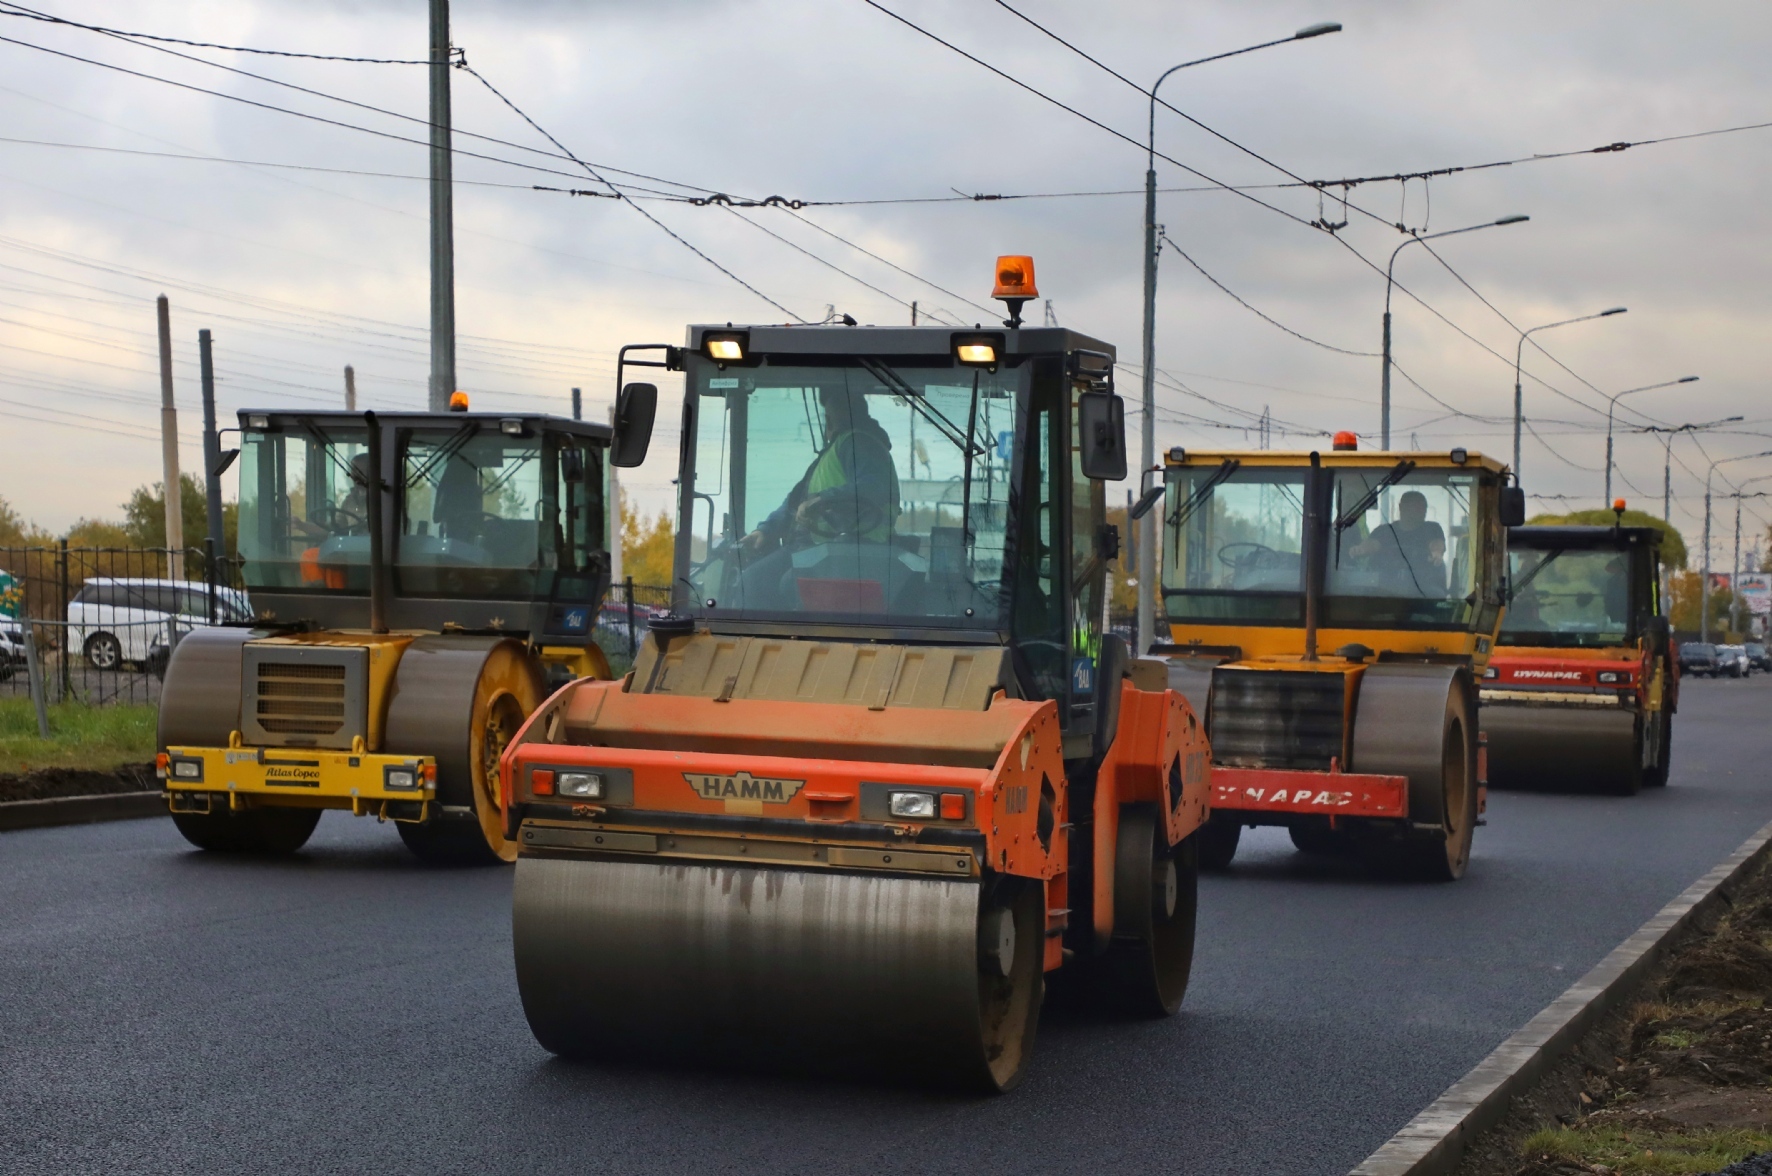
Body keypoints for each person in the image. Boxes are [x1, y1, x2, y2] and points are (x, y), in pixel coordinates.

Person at [735, 386, 901, 607]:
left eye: (831, 417)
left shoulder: (860, 443)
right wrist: (765, 530)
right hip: (817, 547)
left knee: (755, 582)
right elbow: (795, 502)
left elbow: (874, 486)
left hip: (849, 548)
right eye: (828, 418)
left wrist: (823, 499)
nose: (828, 426)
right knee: (754, 579)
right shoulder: (834, 454)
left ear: (851, 415)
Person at [1350, 489, 1446, 595]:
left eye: (1423, 507)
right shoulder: (1385, 531)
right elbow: (1373, 544)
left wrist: (1437, 553)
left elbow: (1436, 543)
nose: (1422, 510)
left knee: (1437, 594)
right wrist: (1361, 549)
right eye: (1416, 506)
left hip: (1423, 591)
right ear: (1401, 507)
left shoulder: (1432, 528)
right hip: (1384, 591)